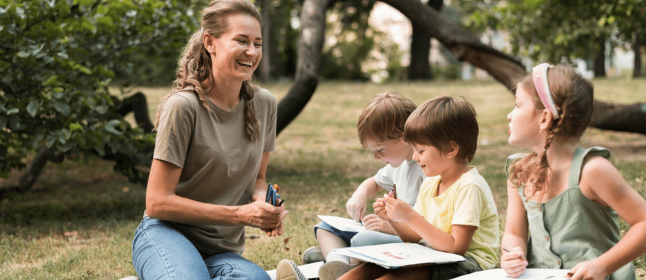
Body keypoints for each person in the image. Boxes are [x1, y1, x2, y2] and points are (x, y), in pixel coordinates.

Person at [131, 1, 286, 279]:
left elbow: (259, 179)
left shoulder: (264, 104)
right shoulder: (183, 106)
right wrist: (240, 214)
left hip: (221, 251)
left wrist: (263, 206)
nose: (251, 52)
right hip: (167, 234)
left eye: (257, 43)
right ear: (210, 43)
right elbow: (157, 202)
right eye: (241, 40)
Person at [500, 63, 646, 280]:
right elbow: (513, 233)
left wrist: (602, 266)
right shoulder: (518, 172)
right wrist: (512, 254)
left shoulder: (591, 170)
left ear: (544, 119)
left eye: (518, 105)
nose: (509, 116)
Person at [338, 96, 500, 280]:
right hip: (433, 254)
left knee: (397, 277)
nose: (414, 157)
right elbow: (416, 237)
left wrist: (410, 216)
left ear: (450, 150)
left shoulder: (469, 186)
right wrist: (393, 219)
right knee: (366, 270)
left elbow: (456, 247)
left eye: (421, 151)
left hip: (469, 263)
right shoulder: (431, 183)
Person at [276, 92, 425, 280]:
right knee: (325, 228)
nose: (376, 157)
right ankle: (337, 264)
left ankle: (342, 262)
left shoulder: (426, 168)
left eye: (380, 150)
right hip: (387, 232)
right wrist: (360, 194)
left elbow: (429, 223)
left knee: (363, 240)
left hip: (408, 238)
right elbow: (373, 182)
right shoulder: (399, 163)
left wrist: (391, 227)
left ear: (405, 137)